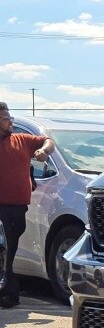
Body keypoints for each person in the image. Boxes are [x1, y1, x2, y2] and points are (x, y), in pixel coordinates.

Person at [0, 103, 54, 307]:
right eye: (6, 119)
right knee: (4, 249)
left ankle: (8, 290)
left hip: (18, 207)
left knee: (9, 249)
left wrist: (44, 150)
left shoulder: (22, 140)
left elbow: (48, 141)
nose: (10, 122)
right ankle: (9, 292)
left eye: (10, 118)